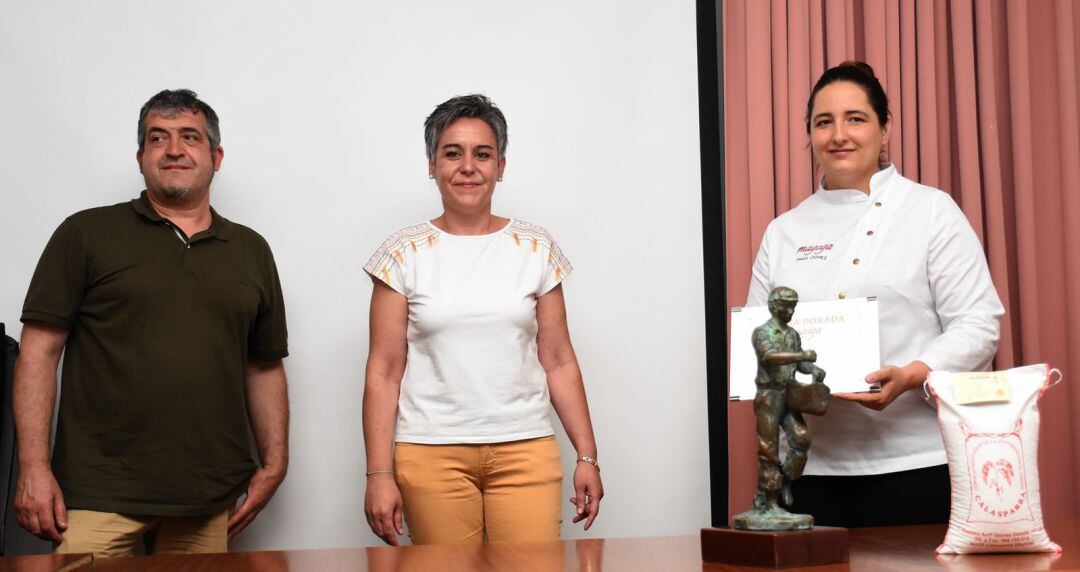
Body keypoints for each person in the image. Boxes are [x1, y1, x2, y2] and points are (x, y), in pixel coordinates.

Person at [14, 89, 289, 556]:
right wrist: (33, 467)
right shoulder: (86, 233)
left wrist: (275, 462)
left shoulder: (250, 249)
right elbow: (39, 352)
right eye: (157, 138)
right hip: (97, 492)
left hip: (207, 495)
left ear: (215, 156)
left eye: (190, 137)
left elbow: (263, 365)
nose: (174, 149)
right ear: (141, 156)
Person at [746, 62, 1004, 527]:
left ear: (885, 130)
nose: (838, 134)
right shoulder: (783, 232)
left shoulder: (930, 211)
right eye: (823, 122)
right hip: (809, 469)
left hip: (917, 464)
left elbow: (979, 324)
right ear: (809, 136)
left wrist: (911, 374)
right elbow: (757, 340)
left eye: (856, 118)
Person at [362, 94, 603, 545]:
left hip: (526, 449)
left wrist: (586, 455)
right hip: (430, 454)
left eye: (482, 154)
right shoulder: (401, 253)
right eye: (452, 153)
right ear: (432, 165)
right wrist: (378, 473)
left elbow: (558, 360)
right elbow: (384, 369)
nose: (468, 166)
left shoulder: (536, 247)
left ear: (501, 166)